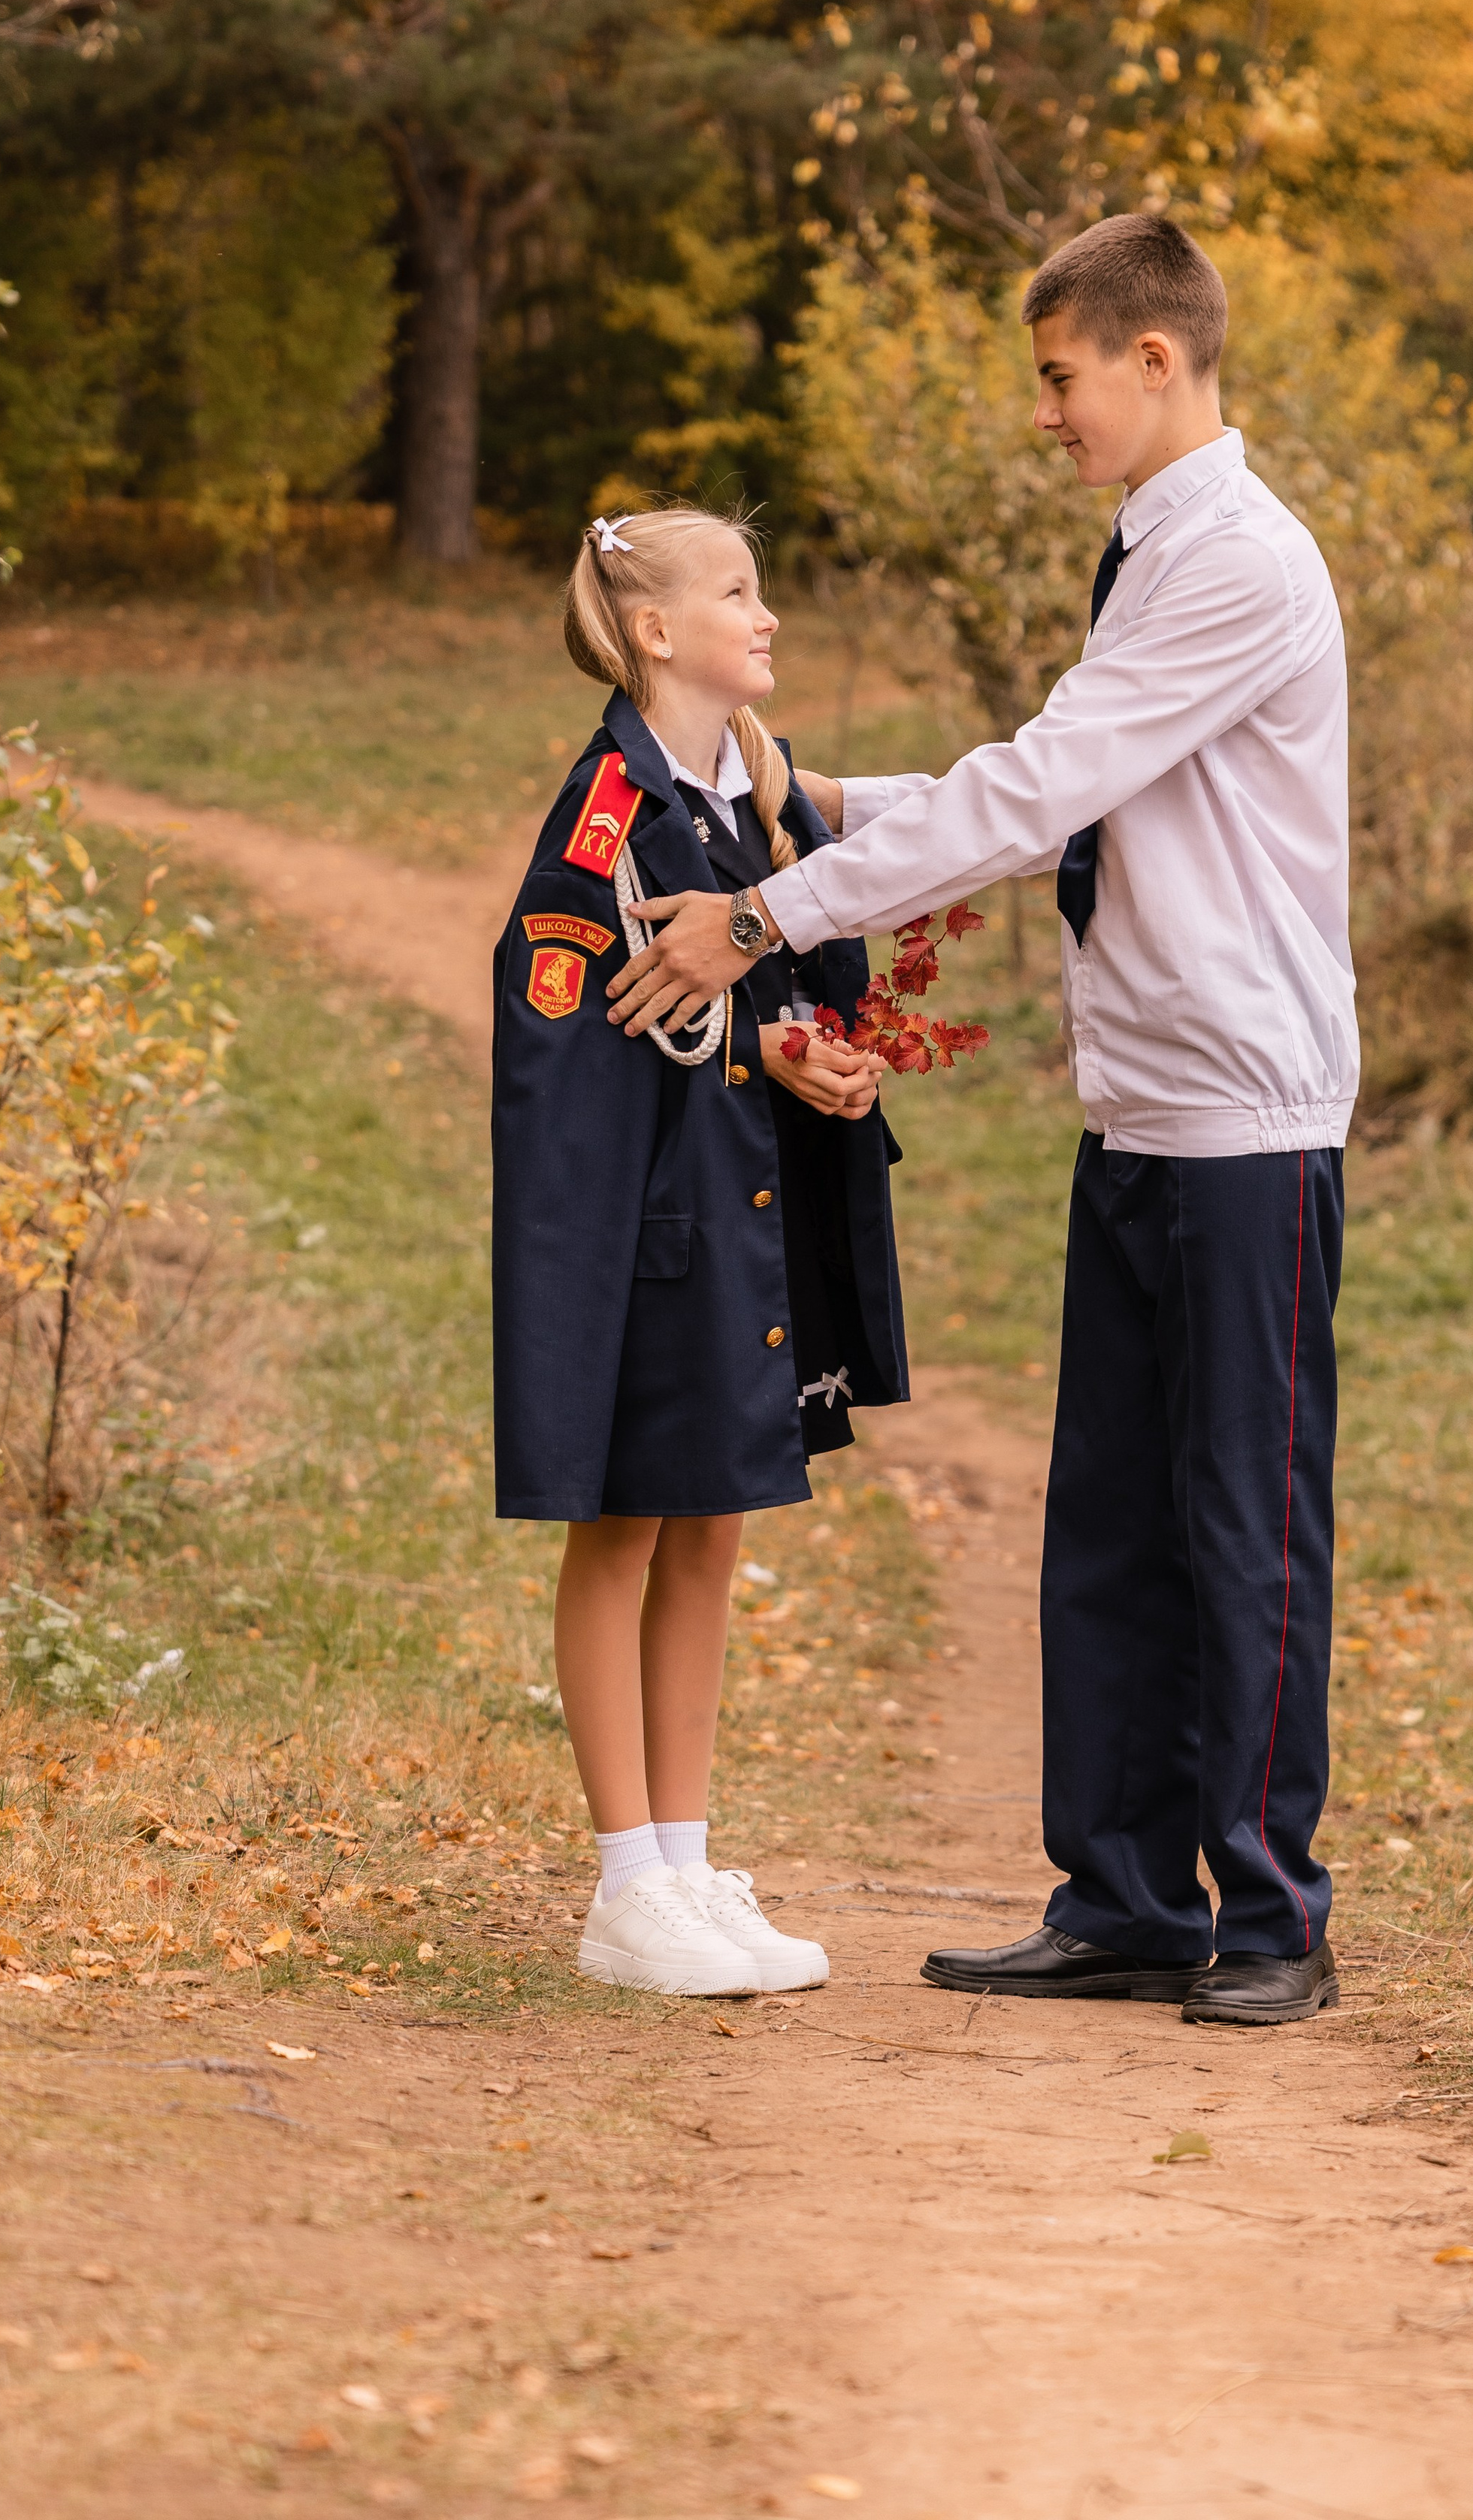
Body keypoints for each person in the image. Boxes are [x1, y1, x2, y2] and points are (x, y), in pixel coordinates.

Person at [605, 215, 1357, 2027]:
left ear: (1153, 360)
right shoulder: (1154, 548)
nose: (1044, 412)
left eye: (1057, 375)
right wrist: (820, 805)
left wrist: (763, 912)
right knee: (1105, 1521)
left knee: (1241, 1523)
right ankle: (1123, 1902)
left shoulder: (1240, 562)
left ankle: (1267, 1919)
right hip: (1142, 1101)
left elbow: (1044, 790)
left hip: (1246, 1114)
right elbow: (1063, 782)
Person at [491, 504, 909, 1998]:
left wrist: (810, 1047)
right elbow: (568, 1033)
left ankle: (684, 1859)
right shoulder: (610, 811)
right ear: (656, 631)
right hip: (655, 1234)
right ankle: (624, 1884)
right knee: (624, 1528)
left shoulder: (747, 794)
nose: (767, 614)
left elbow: (768, 970)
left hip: (742, 1220)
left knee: (714, 1523)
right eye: (738, 592)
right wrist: (754, 1038)